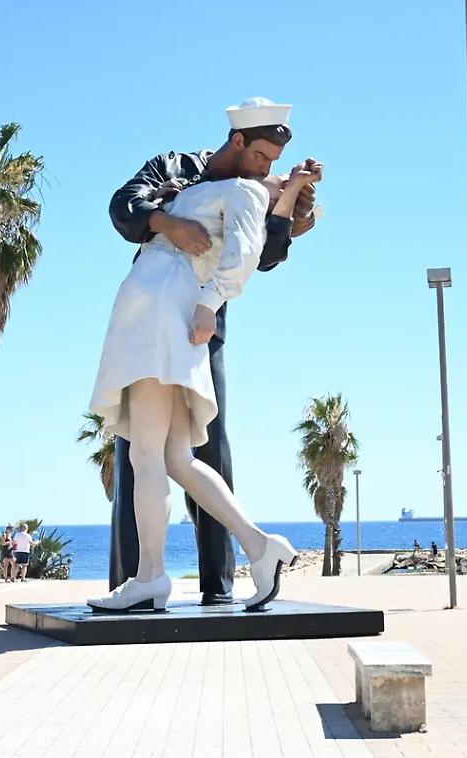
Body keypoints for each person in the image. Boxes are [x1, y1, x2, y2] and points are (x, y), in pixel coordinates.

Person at [88, 99, 321, 613]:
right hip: (166, 307)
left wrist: (209, 305)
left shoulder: (245, 193)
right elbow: (124, 205)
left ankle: (150, 577)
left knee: (148, 453)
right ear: (237, 143)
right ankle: (260, 546)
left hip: (164, 312)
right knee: (174, 457)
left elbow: (252, 258)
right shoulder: (194, 174)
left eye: (276, 168)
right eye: (263, 159)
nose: (269, 170)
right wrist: (167, 225)